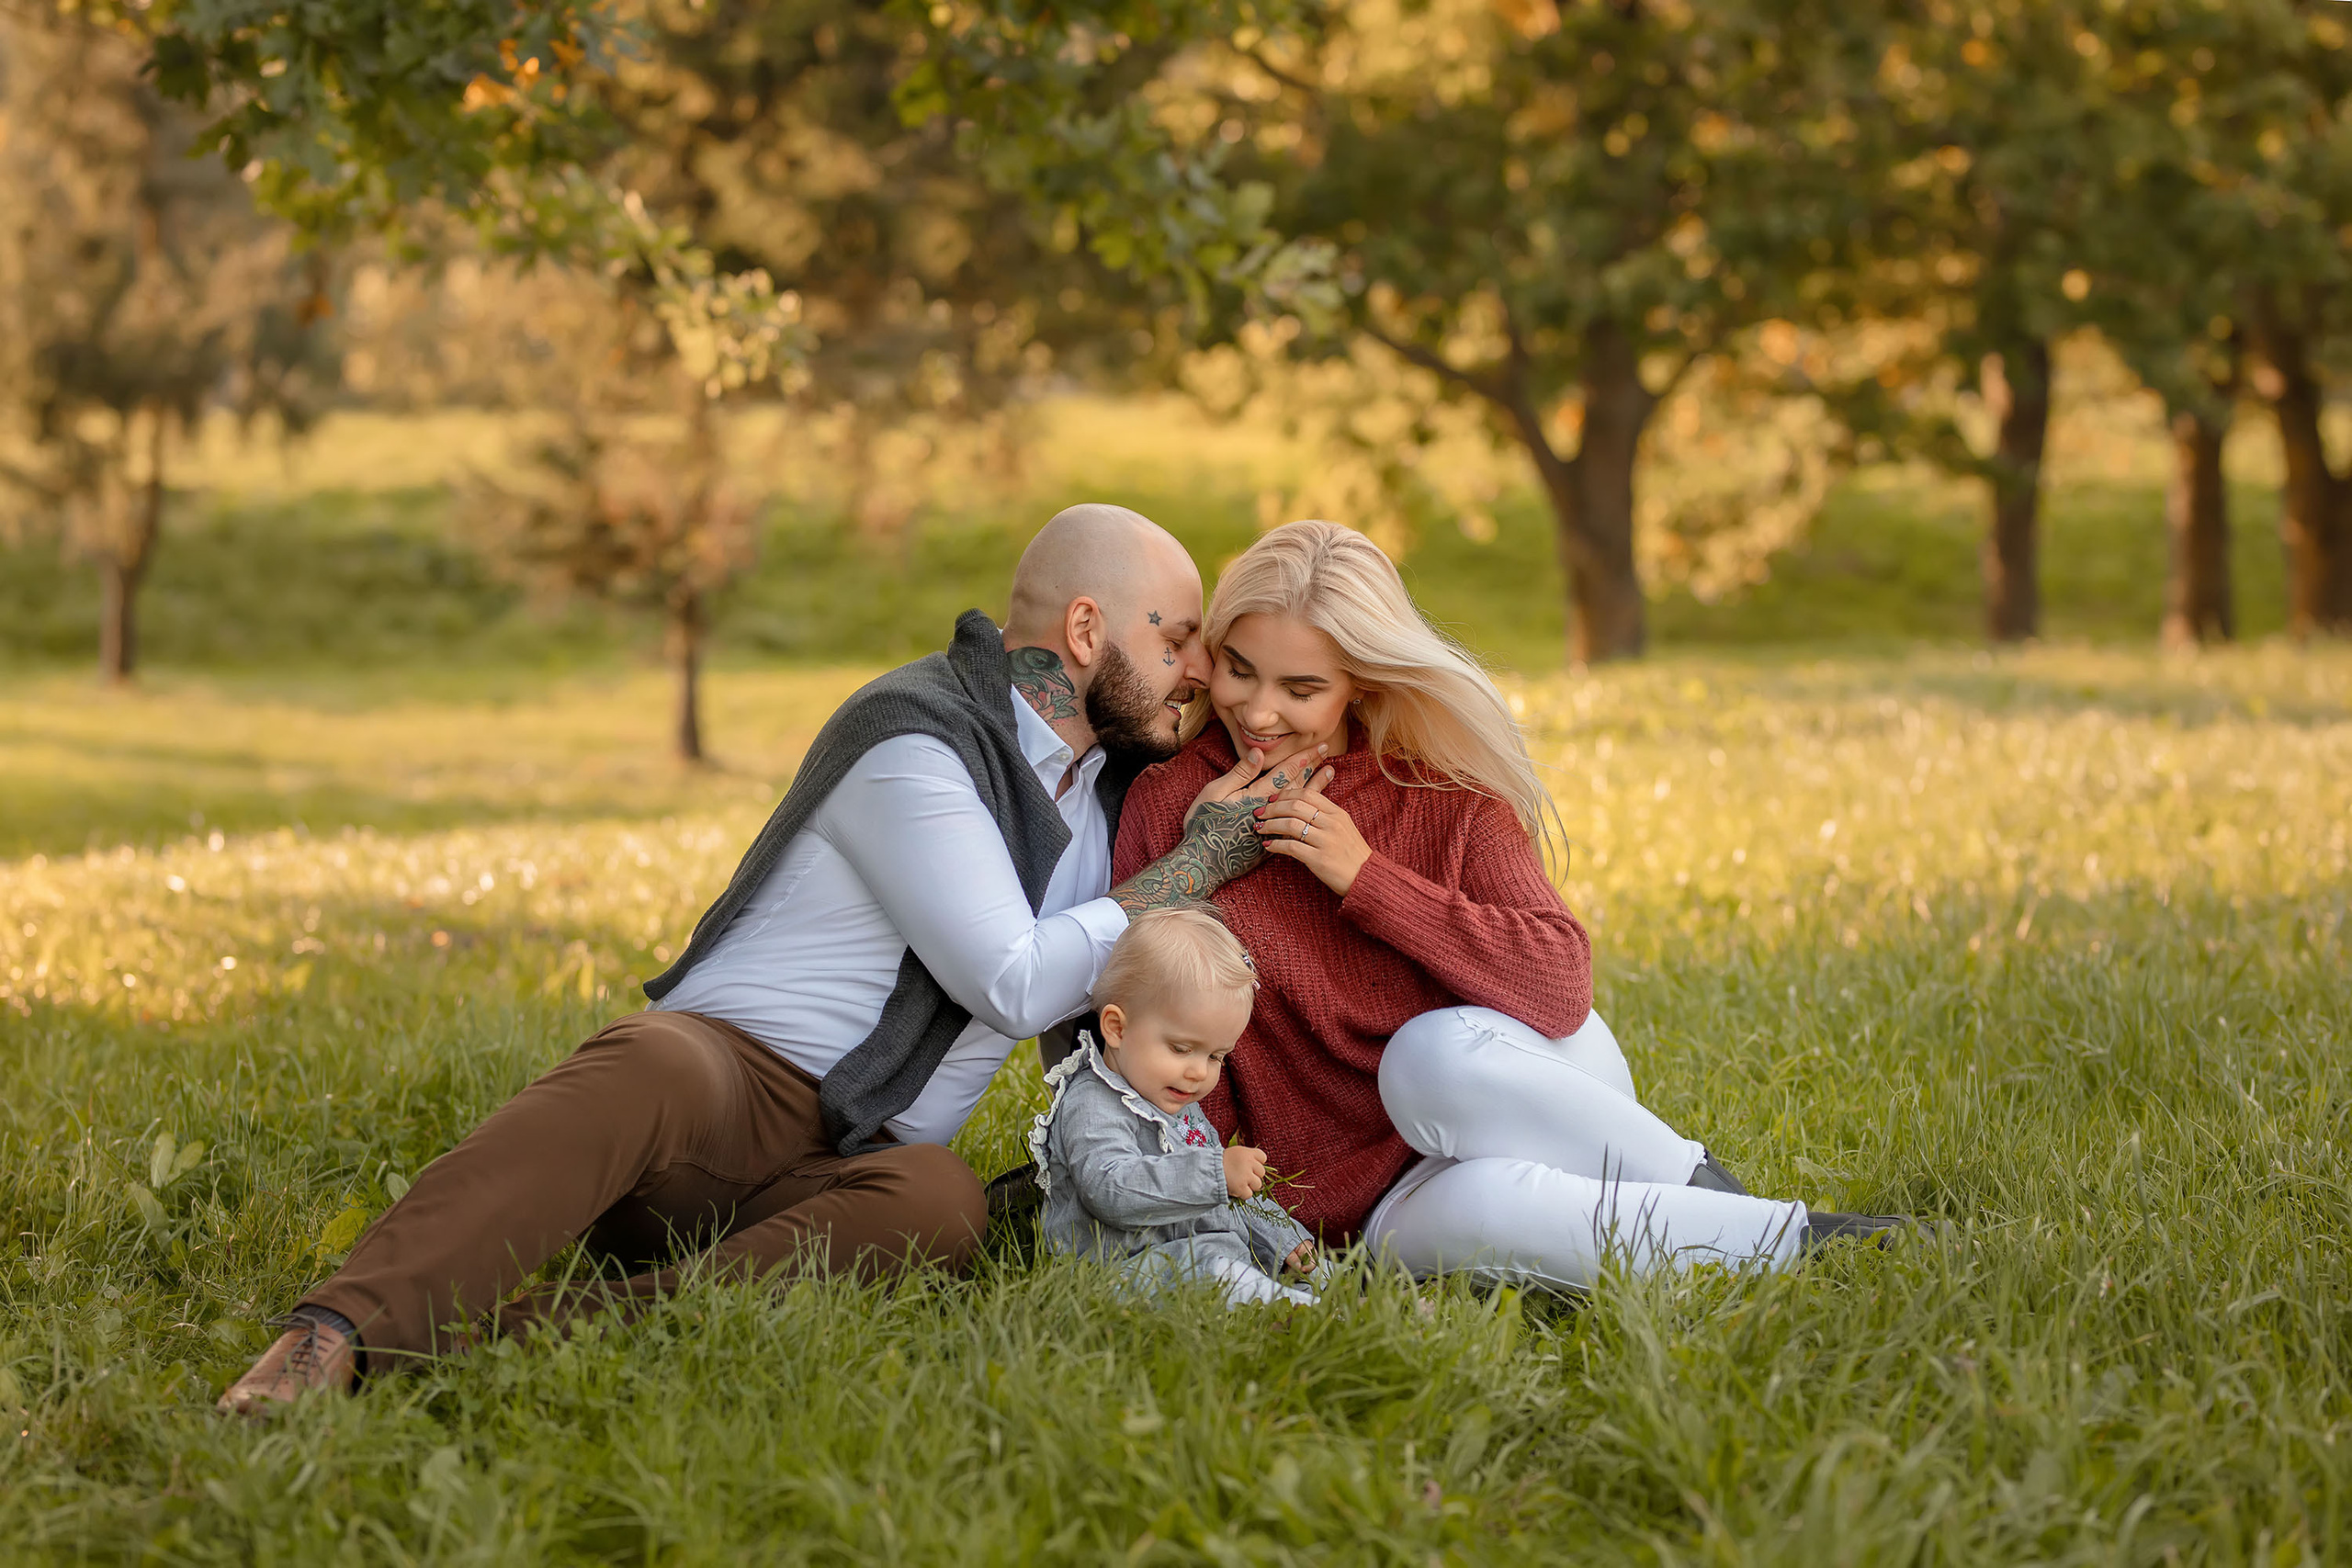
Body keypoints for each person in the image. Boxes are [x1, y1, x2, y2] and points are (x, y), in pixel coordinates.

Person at [219, 502, 1321, 1415]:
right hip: (708, 1103)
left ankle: (499, 1344)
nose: (1190, 673)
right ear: (1086, 632)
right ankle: (333, 1336)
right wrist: (1184, 872)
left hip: (853, 1164)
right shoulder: (915, 739)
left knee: (942, 1202)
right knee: (659, 1060)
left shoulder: (1118, 801)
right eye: (1174, 640)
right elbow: (1015, 979)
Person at [1108, 521, 1905, 1293]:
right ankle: (1811, 1242)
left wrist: (1369, 880)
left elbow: (1563, 987)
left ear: (1364, 683)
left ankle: (1729, 1202)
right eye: (1240, 670)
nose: (1258, 712)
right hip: (1386, 1201)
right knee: (1491, 1206)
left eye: (1302, 687)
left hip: (1525, 1098)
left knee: (1430, 1060)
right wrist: (1199, 863)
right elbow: (1153, 1023)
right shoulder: (1176, 804)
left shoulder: (1441, 794)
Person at [1031, 908, 1323, 1307]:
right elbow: (1109, 1188)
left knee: (1290, 1267)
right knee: (1215, 1270)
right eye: (1182, 1049)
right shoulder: (1091, 1103)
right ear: (1117, 1028)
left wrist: (1281, 1237)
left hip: (1197, 1254)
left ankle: (1330, 1298)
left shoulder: (1178, 1105)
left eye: (1218, 1056)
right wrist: (1213, 1174)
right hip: (1117, 1272)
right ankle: (1293, 1308)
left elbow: (1232, 1193)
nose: (1198, 1073)